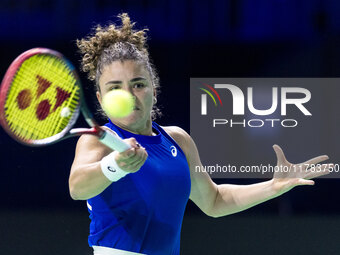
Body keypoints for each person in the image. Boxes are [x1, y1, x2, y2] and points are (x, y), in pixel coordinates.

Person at [69, 13, 333, 255]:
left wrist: (272, 187)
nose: (128, 95)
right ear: (101, 98)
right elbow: (77, 187)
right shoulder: (98, 140)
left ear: (154, 89)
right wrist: (115, 165)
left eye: (138, 84)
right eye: (115, 87)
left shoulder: (178, 140)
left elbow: (214, 200)